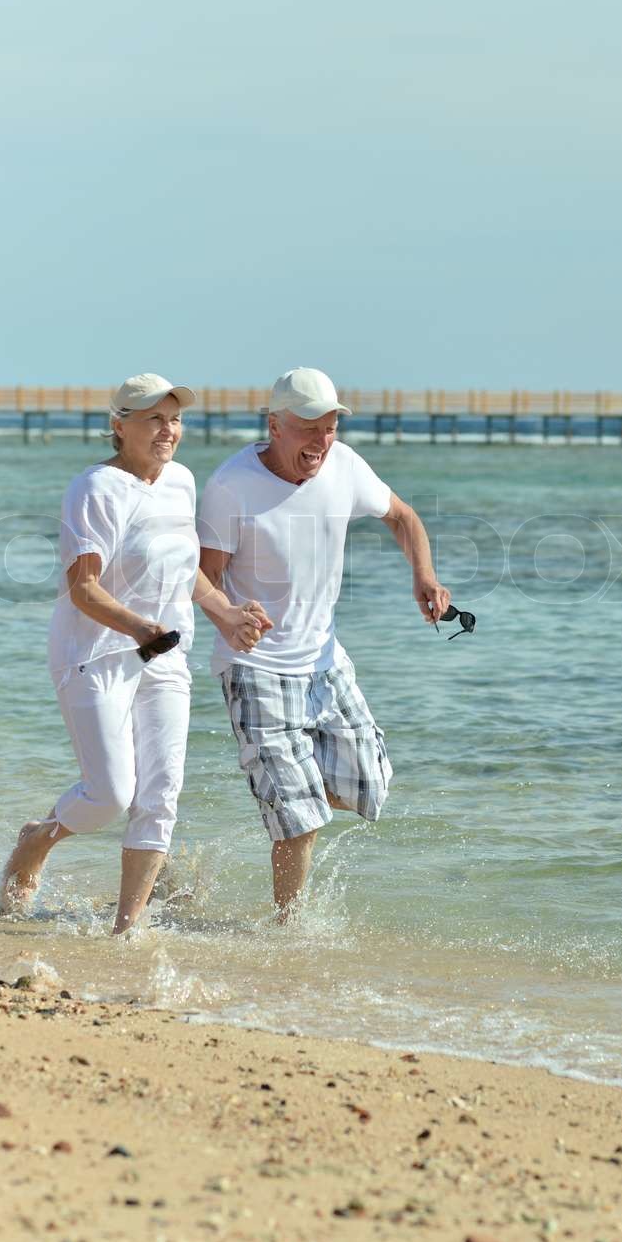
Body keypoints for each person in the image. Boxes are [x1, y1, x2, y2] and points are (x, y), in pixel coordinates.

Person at [0, 373, 270, 933]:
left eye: (173, 419)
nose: (167, 430)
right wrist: (139, 628)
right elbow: (84, 588)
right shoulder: (95, 488)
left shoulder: (182, 482)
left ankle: (126, 931)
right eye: (152, 419)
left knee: (160, 794)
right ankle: (38, 839)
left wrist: (225, 612)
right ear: (119, 426)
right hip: (95, 652)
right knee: (109, 794)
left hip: (166, 655)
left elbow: (182, 567)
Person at [199, 366, 451, 918]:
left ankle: (286, 799)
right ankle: (289, 927)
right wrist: (227, 615)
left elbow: (403, 517)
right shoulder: (229, 486)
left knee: (370, 786)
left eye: (330, 426)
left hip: (326, 665)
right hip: (256, 668)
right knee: (302, 821)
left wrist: (424, 575)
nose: (321, 440)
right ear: (275, 425)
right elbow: (202, 576)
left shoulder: (345, 466)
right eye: (308, 426)